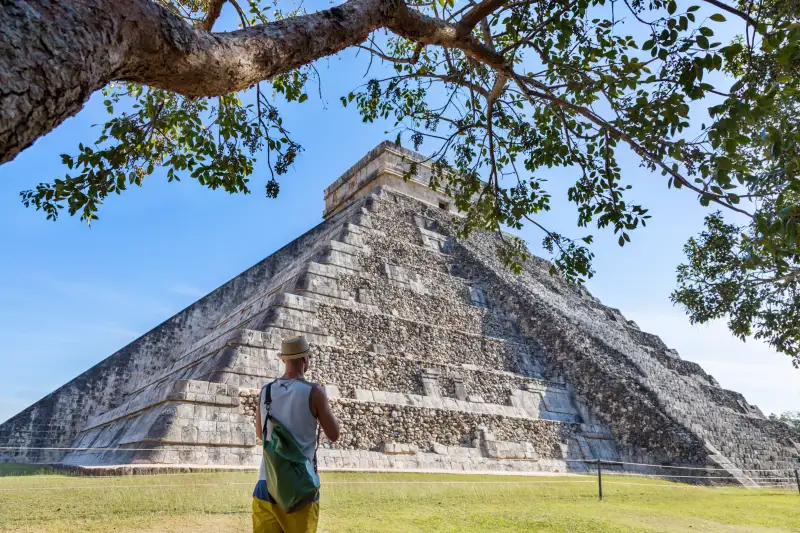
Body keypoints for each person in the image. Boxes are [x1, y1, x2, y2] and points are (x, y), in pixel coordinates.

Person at [253, 335, 340, 533]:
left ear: (283, 360)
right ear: (305, 359)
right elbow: (334, 434)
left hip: (266, 483)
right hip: (299, 487)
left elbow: (261, 434)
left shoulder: (265, 391)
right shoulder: (314, 391)